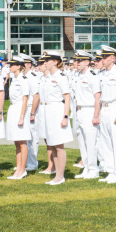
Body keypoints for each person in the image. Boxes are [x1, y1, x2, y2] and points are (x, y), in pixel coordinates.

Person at [36, 51, 73, 185]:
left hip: (56, 111)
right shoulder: (46, 78)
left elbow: (67, 97)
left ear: (56, 62)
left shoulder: (60, 77)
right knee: (51, 144)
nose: (45, 62)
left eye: (48, 60)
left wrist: (65, 116)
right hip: (46, 111)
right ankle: (57, 174)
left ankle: (60, 176)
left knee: (59, 145)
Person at [95, 46, 116, 184]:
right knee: (106, 142)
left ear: (113, 59)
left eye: (105, 57)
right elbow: (99, 96)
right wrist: (98, 114)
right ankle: (110, 171)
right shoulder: (101, 75)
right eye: (102, 57)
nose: (103, 60)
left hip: (115, 107)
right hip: (105, 109)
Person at [70, 51, 101, 180]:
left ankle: (93, 169)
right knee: (82, 141)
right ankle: (87, 167)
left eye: (80, 61)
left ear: (87, 62)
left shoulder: (92, 76)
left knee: (90, 141)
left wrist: (95, 115)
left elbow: (97, 96)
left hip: (89, 110)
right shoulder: (78, 76)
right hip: (79, 110)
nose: (76, 63)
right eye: (76, 61)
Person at [5, 56, 32, 179]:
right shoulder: (14, 79)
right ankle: (18, 168)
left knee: (22, 141)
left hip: (21, 110)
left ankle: (22, 170)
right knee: (16, 141)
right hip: (13, 109)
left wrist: (21, 117)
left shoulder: (23, 79)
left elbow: (25, 100)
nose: (9, 66)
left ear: (19, 66)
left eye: (12, 65)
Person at [20, 54, 41, 171]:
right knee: (25, 137)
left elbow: (36, 97)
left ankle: (32, 163)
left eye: (23, 64)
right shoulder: (24, 77)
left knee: (32, 137)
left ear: (28, 65)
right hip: (25, 108)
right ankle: (26, 162)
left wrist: (32, 113)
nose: (21, 66)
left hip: (31, 108)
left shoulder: (32, 77)